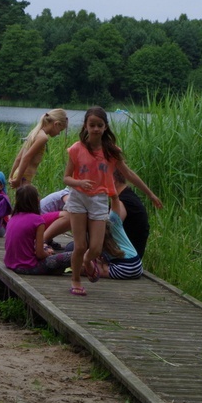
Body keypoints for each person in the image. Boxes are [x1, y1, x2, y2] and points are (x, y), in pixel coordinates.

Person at [63, 106, 161, 296]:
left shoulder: (111, 152)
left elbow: (129, 174)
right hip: (78, 198)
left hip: (99, 199)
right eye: (92, 125)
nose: (96, 129)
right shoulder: (77, 149)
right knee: (80, 244)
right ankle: (76, 280)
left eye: (100, 125)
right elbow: (66, 178)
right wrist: (79, 182)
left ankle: (86, 261)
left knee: (96, 247)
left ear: (106, 127)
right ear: (86, 126)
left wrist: (150, 194)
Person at [4, 185, 71, 275]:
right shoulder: (37, 220)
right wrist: (48, 254)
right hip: (28, 267)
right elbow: (39, 254)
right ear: (37, 200)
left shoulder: (12, 218)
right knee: (72, 255)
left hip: (10, 264)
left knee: (57, 267)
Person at [8, 109, 68, 189]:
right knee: (32, 201)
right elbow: (26, 157)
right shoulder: (43, 138)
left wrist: (11, 176)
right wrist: (18, 180)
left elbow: (19, 158)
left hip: (20, 175)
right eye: (60, 130)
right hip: (24, 178)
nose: (59, 133)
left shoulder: (35, 133)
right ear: (56, 124)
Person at [113, 168, 150, 258]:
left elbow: (108, 229)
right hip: (132, 256)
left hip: (125, 259)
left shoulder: (122, 202)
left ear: (113, 179)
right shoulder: (129, 196)